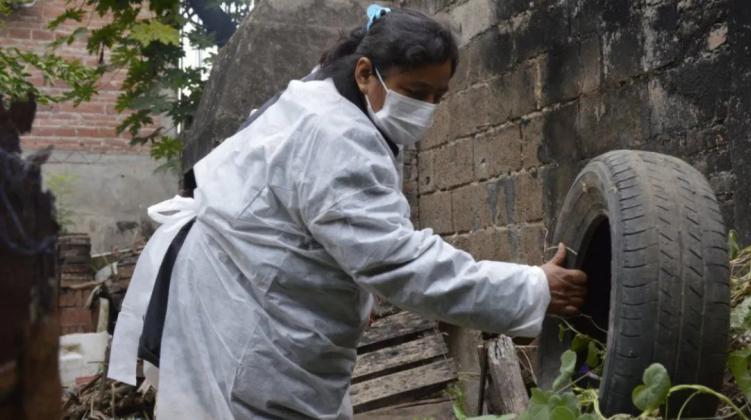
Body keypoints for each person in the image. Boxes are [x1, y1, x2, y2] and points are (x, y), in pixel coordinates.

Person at [109, 5, 587, 419]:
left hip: (242, 295)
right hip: (238, 324)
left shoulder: (330, 94)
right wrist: (531, 287)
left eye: (438, 97)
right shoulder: (337, 139)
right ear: (365, 72)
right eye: (415, 92)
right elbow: (400, 263)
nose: (426, 108)